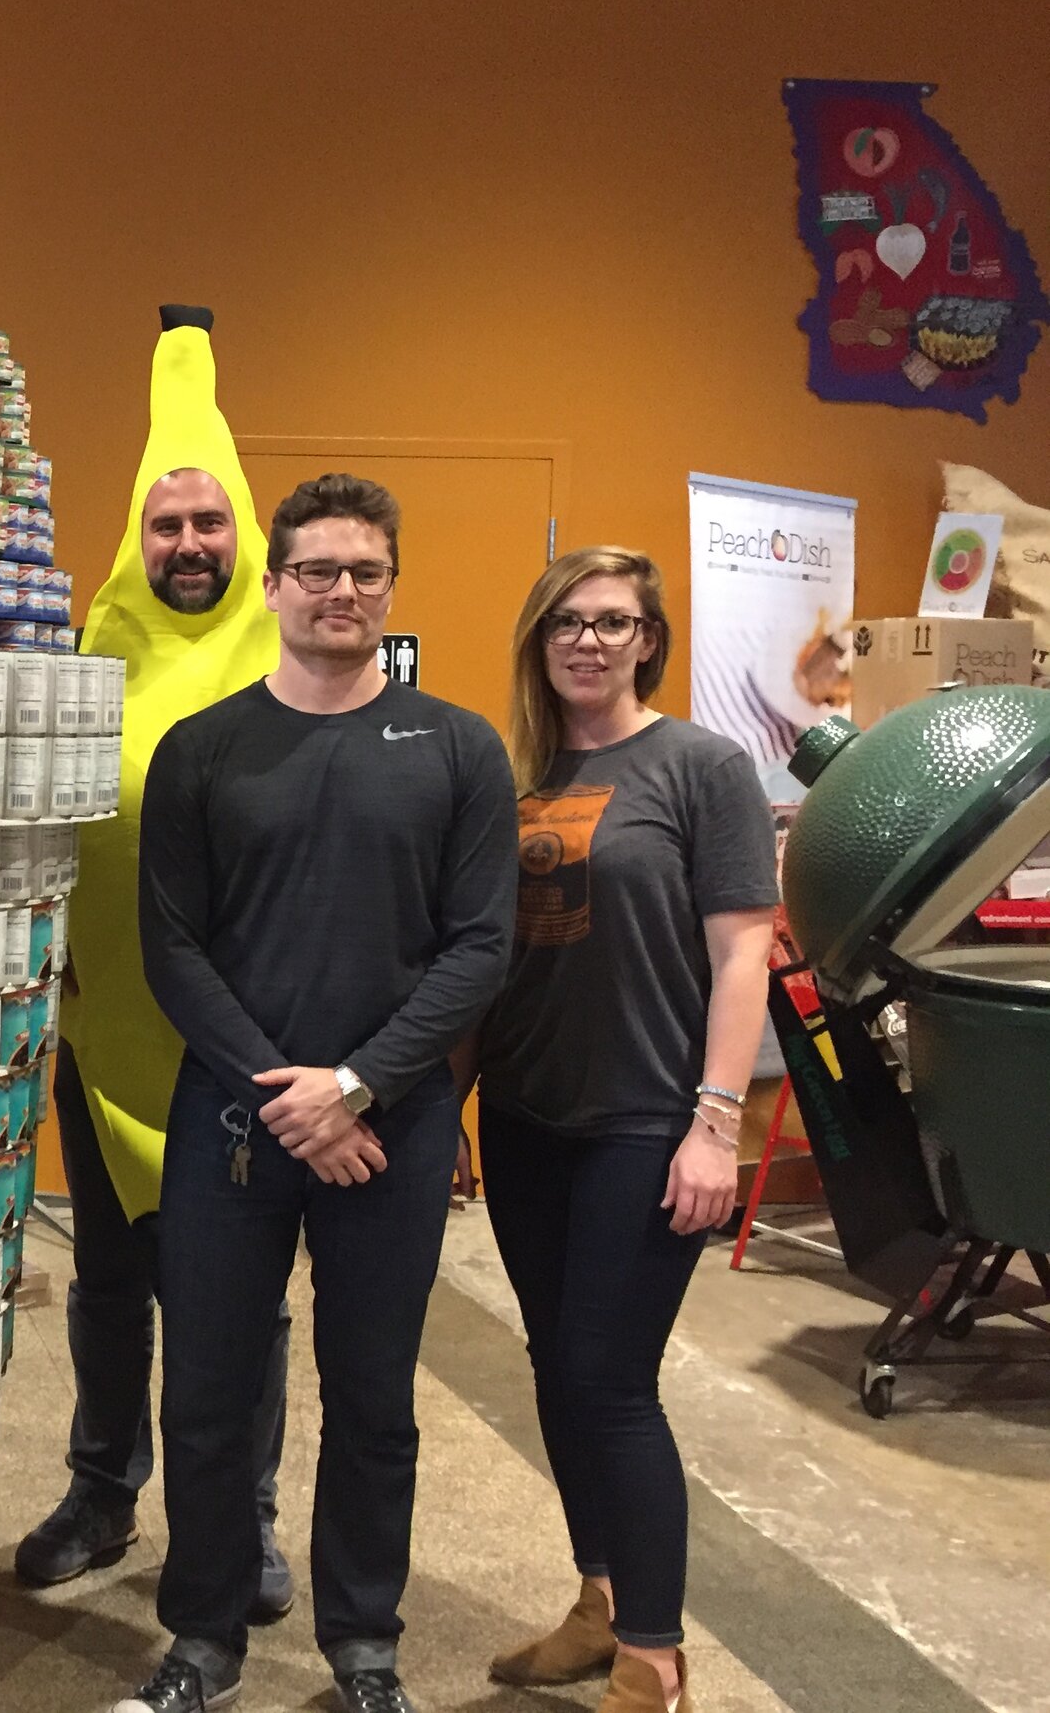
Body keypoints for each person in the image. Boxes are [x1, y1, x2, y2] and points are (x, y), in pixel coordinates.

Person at [125, 473, 517, 1713]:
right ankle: (201, 1637)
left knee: (372, 1396)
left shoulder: (457, 747)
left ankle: (362, 1644)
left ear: (389, 585)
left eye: (364, 572)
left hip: (385, 1128)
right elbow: (171, 946)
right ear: (275, 582)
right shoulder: (205, 749)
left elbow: (479, 946)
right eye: (316, 571)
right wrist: (288, 1094)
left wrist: (354, 1085)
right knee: (205, 1391)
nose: (340, 592)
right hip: (231, 1125)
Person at [22, 306, 295, 1620]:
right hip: (104, 1030)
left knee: (239, 1296)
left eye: (208, 521)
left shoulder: (298, 667)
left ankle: (240, 1520)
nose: (187, 546)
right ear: (139, 534)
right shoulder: (94, 653)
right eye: (165, 522)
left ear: (245, 528)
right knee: (111, 1280)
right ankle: (99, 1488)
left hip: (238, 1046)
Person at [471, 549, 776, 1713]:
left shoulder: (700, 766)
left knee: (609, 1383)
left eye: (613, 622)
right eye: (565, 621)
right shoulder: (515, 776)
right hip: (525, 1114)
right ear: (537, 638)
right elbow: (483, 961)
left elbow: (743, 951)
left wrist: (715, 1124)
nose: (587, 641)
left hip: (645, 1122)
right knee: (555, 1372)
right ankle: (595, 1603)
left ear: (648, 639)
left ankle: (655, 1656)